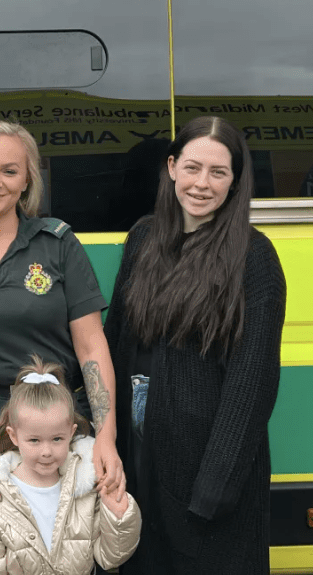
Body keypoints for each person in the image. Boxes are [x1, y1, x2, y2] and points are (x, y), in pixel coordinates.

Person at [104, 115, 286, 574]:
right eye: (192, 167)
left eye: (218, 172)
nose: (202, 184)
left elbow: (252, 384)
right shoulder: (143, 239)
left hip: (207, 486)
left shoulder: (254, 257)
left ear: (235, 181)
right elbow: (115, 341)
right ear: (171, 167)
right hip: (139, 469)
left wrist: (213, 491)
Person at [0, 120, 123, 512]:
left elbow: (91, 346)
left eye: (9, 171)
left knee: (69, 543)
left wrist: (106, 436)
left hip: (60, 433)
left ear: (28, 179)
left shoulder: (57, 244)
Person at [0, 357, 141, 575]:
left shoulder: (85, 487)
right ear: (13, 436)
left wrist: (119, 516)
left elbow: (111, 557)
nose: (46, 451)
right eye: (34, 440)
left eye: (57, 439)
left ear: (72, 432)